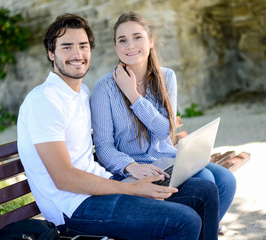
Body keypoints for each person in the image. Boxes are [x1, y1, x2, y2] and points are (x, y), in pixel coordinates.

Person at [17, 13, 220, 239]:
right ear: (51, 53)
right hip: (73, 208)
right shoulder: (44, 100)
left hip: (101, 187)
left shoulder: (79, 93)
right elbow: (63, 177)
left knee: (204, 191)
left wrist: (127, 183)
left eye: (83, 46)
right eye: (67, 47)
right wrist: (132, 188)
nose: (77, 54)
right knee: (185, 221)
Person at [90, 11, 236, 225]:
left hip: (168, 160)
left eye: (137, 37)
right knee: (206, 180)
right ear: (116, 47)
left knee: (226, 180)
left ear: (150, 41)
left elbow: (164, 131)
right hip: (134, 171)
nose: (130, 45)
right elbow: (103, 146)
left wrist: (133, 95)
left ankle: (202, 230)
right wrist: (131, 166)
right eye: (122, 40)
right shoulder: (104, 89)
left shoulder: (166, 76)